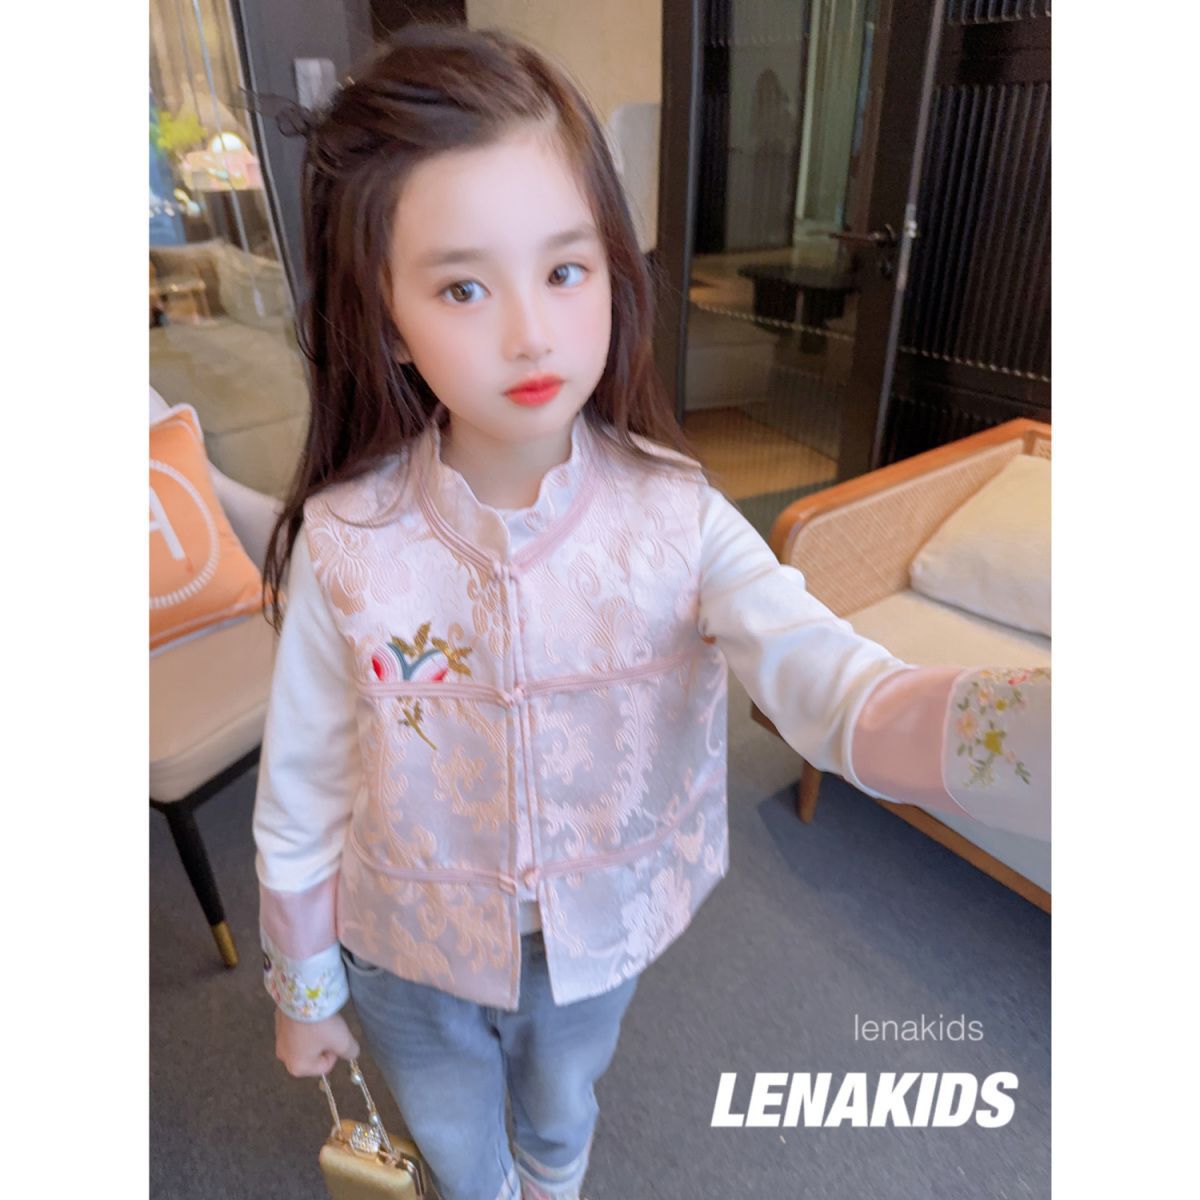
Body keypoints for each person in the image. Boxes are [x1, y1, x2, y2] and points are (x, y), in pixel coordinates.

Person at [252, 23, 1050, 1200]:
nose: (530, 332)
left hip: (595, 940)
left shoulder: (676, 517)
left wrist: (1024, 733)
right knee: (455, 1146)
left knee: (561, 1113)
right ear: (385, 315)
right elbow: (302, 787)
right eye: (463, 287)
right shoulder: (350, 543)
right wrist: (305, 987)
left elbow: (834, 689)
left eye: (564, 270)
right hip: (405, 943)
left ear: (614, 270)